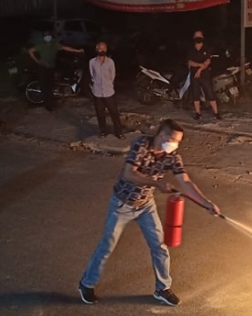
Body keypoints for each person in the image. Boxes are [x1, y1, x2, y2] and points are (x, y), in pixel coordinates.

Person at [78, 119, 220, 306]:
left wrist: (206, 203)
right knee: (107, 247)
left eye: (178, 141)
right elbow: (129, 173)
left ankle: (162, 288)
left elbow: (185, 181)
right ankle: (86, 284)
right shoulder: (141, 144)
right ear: (161, 135)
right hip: (122, 204)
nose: (176, 145)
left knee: (159, 247)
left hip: (145, 205)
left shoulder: (172, 156)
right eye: (174, 140)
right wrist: (157, 183)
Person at [27, 31, 84, 111]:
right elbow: (30, 51)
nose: (47, 37)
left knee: (50, 86)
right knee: (45, 86)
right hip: (43, 68)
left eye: (48, 35)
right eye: (46, 36)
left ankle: (50, 103)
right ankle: (47, 105)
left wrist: (77, 51)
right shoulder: (41, 45)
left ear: (51, 37)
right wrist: (37, 61)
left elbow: (65, 48)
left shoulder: (54, 45)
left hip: (51, 68)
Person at [89, 41, 124, 139]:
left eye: (104, 48)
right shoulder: (92, 62)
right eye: (100, 48)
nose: (102, 50)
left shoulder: (110, 62)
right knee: (100, 113)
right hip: (97, 92)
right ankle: (103, 131)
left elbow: (113, 76)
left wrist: (108, 84)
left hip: (109, 92)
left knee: (114, 112)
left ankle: (119, 132)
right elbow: (92, 75)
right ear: (97, 49)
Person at [186, 30, 222, 121]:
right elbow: (189, 62)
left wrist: (199, 70)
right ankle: (198, 113)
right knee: (195, 95)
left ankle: (216, 113)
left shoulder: (206, 49)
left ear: (203, 37)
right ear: (193, 38)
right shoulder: (191, 49)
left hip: (205, 75)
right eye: (196, 36)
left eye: (200, 36)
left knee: (210, 94)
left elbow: (208, 62)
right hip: (194, 76)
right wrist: (200, 65)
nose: (198, 38)